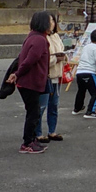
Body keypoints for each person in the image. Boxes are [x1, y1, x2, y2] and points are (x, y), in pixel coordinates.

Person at [7, 11, 59, 154]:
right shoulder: (39, 40)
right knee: (33, 113)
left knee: (34, 112)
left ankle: (31, 139)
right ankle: (27, 142)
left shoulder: (33, 36)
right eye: (50, 20)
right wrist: (17, 74)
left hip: (29, 82)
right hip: (30, 82)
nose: (53, 23)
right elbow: (29, 60)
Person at [37, 12, 66, 144]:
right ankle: (37, 133)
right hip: (45, 76)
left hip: (56, 76)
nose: (52, 23)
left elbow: (61, 52)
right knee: (41, 106)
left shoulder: (56, 36)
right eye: (50, 21)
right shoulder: (41, 38)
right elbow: (42, 59)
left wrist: (63, 57)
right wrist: (56, 59)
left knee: (54, 105)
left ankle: (52, 131)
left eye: (53, 20)